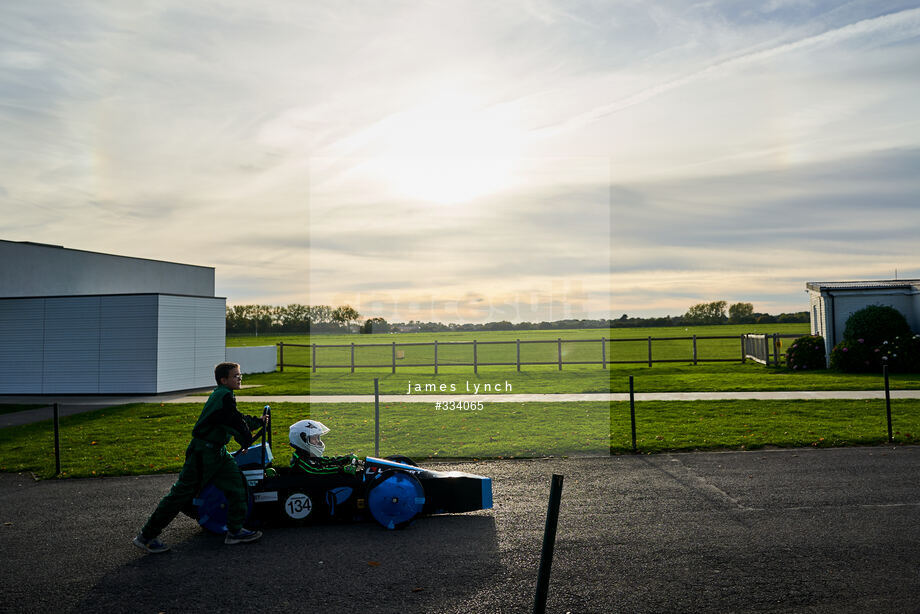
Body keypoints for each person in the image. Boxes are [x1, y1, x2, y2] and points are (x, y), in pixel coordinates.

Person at [133, 362, 267, 553]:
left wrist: (257, 422)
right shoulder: (223, 396)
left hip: (217, 452)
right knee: (181, 494)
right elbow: (234, 422)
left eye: (240, 374)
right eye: (235, 375)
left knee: (236, 485)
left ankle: (235, 531)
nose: (240, 378)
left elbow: (235, 418)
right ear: (223, 379)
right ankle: (146, 536)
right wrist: (245, 440)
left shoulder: (224, 395)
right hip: (203, 453)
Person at [288, 419, 358, 475]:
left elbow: (326, 461)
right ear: (302, 440)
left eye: (318, 438)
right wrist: (342, 470)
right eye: (313, 438)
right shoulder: (299, 461)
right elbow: (316, 471)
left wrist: (345, 458)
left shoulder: (307, 454)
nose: (317, 441)